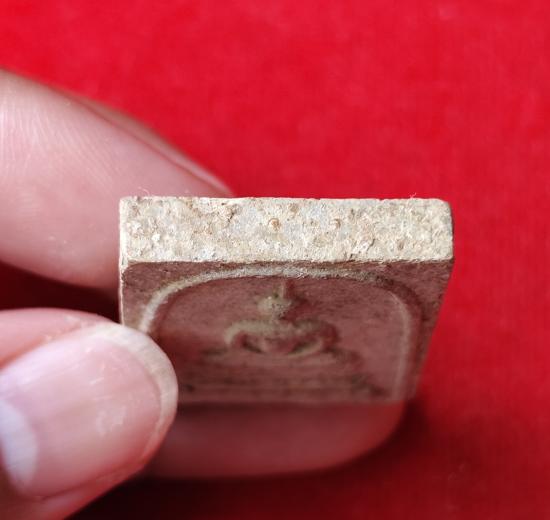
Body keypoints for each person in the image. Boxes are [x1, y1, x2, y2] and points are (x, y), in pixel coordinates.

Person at [0, 70, 404, 519]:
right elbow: (237, 341)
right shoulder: (249, 326)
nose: (281, 314)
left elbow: (320, 342)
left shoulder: (310, 327)